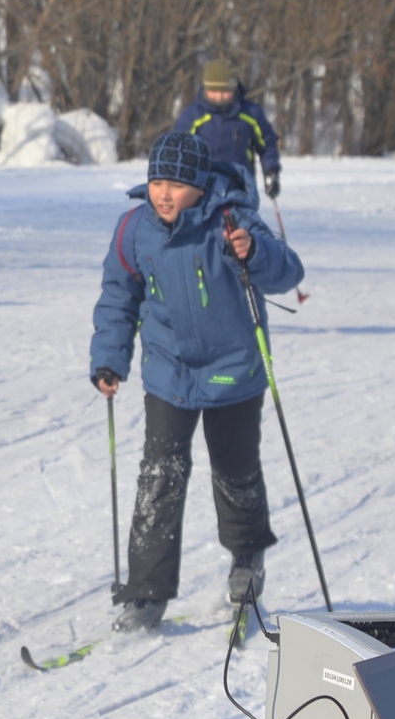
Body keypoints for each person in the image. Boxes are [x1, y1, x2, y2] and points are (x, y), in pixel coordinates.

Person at [88, 132, 302, 630]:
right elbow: (118, 298)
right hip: (169, 371)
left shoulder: (232, 221)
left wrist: (253, 254)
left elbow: (288, 271)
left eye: (178, 184)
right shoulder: (133, 230)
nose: (164, 193)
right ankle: (145, 593)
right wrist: (109, 359)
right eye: (157, 181)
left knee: (235, 470)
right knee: (160, 475)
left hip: (234, 371)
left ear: (201, 186)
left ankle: (247, 560)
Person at [172, 58, 281, 200]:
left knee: (237, 220)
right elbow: (176, 148)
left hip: (240, 185)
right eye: (214, 91)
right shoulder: (193, 116)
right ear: (205, 88)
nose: (219, 96)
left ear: (234, 89)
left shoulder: (250, 114)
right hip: (202, 187)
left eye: (225, 91)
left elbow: (267, 144)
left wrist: (271, 171)